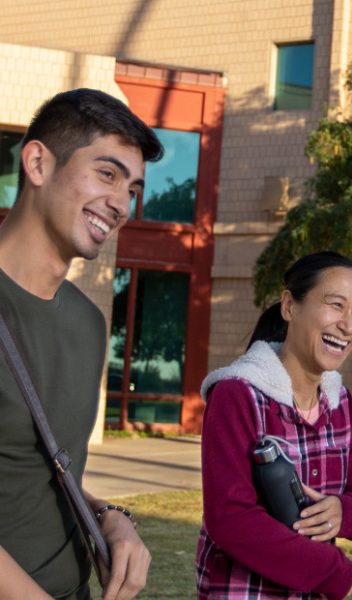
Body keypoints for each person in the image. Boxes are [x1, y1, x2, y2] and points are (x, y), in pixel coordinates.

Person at [0, 88, 163, 599]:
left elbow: (34, 474)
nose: (121, 204)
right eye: (107, 174)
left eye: (132, 188)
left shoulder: (88, 323)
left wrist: (111, 517)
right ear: (38, 163)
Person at [197, 251, 352, 600]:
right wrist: (330, 568)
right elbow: (229, 519)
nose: (348, 324)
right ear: (289, 306)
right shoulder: (238, 395)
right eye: (336, 305)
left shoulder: (340, 403)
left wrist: (344, 511)